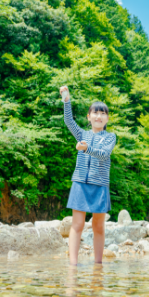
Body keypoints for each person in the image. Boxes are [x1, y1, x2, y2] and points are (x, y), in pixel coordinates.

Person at [60, 85, 117, 266]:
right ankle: (73, 265)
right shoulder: (82, 133)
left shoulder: (110, 137)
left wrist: (86, 148)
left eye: (102, 114)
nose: (98, 116)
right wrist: (66, 100)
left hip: (100, 184)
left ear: (107, 118)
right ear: (89, 117)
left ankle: (98, 265)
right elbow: (69, 121)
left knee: (98, 226)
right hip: (80, 183)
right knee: (77, 225)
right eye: (95, 113)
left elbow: (104, 154)